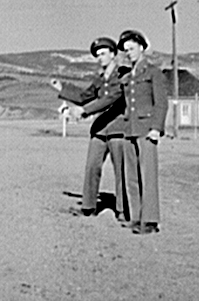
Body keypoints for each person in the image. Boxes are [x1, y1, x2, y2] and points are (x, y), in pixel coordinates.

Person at [50, 37, 130, 222]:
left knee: (121, 170)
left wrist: (84, 111)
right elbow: (84, 96)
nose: (100, 58)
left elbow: (110, 99)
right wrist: (62, 88)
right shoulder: (99, 79)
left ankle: (123, 210)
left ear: (113, 54)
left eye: (103, 54)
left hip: (119, 128)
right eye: (97, 55)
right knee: (92, 167)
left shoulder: (123, 75)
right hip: (100, 129)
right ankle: (88, 206)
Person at [117, 29, 168, 235]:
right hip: (129, 129)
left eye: (131, 48)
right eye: (125, 50)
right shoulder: (128, 76)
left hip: (147, 130)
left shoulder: (153, 72)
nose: (128, 53)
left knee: (148, 176)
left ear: (142, 47)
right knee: (132, 176)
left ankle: (151, 220)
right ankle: (136, 217)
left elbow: (161, 103)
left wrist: (156, 128)